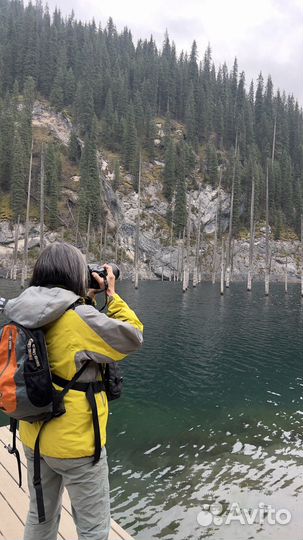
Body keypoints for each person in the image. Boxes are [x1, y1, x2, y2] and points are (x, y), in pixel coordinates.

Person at [2, 242, 144, 540]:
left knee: (40, 516)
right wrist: (113, 296)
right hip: (76, 444)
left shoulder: (22, 309)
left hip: (34, 436)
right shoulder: (80, 317)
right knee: (93, 529)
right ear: (73, 274)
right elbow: (132, 338)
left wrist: (86, 298)